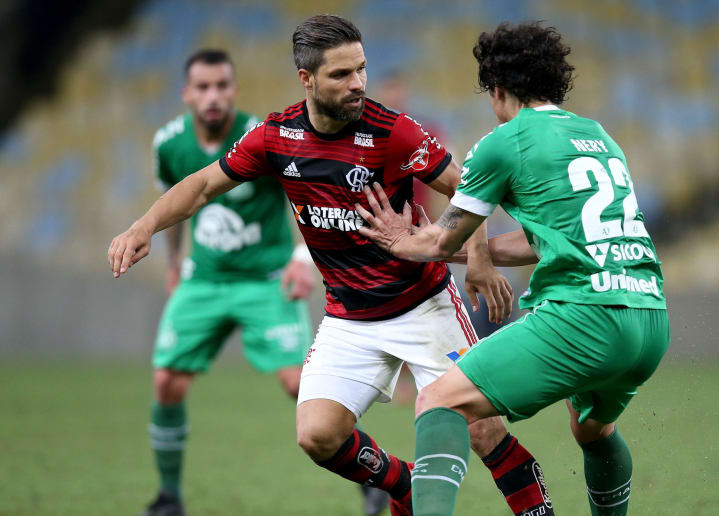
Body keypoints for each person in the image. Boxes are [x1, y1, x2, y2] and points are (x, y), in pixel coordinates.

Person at [109, 15, 554, 516]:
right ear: (307, 79)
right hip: (349, 318)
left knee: (484, 430)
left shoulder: (393, 131)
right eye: (342, 74)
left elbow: (466, 187)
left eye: (361, 69)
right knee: (318, 434)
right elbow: (203, 186)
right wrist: (143, 226)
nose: (358, 82)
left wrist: (479, 259)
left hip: (423, 306)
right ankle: (403, 486)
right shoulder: (276, 138)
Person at [356, 22, 670, 516]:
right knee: (592, 429)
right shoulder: (599, 136)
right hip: (648, 316)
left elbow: (441, 238)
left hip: (585, 316)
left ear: (497, 89)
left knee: (439, 402)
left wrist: (399, 240)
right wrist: (465, 254)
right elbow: (543, 240)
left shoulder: (504, 141)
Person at [139, 48, 328, 516]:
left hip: (266, 281)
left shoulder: (261, 138)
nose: (213, 96)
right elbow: (176, 203)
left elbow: (309, 196)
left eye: (222, 86)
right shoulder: (169, 144)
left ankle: (368, 477)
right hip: (202, 280)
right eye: (202, 87)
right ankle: (168, 496)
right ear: (186, 94)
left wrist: (302, 259)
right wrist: (173, 262)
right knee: (167, 382)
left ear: (234, 90)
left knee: (300, 385)